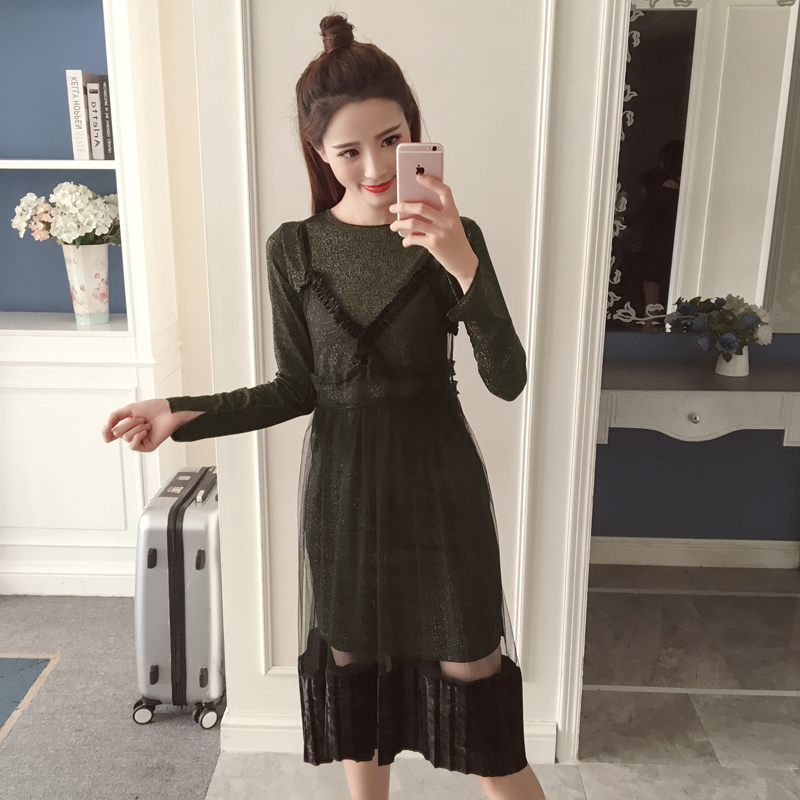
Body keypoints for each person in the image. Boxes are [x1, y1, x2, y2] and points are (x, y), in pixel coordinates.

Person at [101, 13, 545, 800]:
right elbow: (295, 389)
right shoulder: (294, 249)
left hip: (441, 498)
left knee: (479, 705)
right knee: (358, 694)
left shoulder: (456, 237)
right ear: (318, 152)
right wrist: (179, 409)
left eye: (391, 140)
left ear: (415, 133)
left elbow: (507, 378)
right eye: (349, 151)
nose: (374, 167)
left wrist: (462, 262)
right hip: (343, 501)